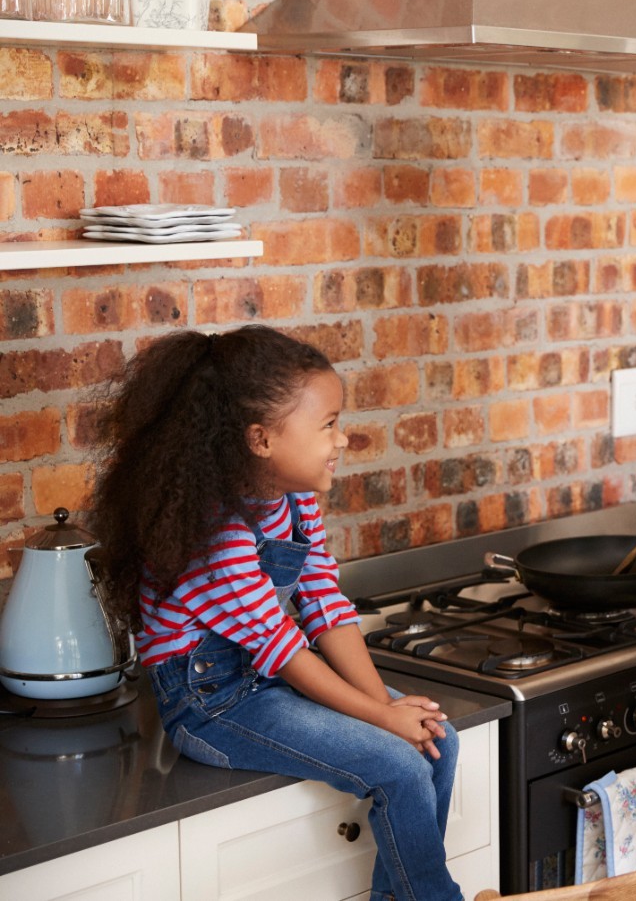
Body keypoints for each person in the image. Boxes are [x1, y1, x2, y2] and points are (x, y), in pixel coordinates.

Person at [91, 326, 462, 901]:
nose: (343, 440)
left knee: (438, 739)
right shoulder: (214, 534)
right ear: (261, 439)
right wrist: (382, 719)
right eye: (329, 425)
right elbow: (281, 648)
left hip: (267, 680)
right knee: (401, 766)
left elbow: (323, 604)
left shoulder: (296, 501)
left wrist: (385, 708)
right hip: (210, 705)